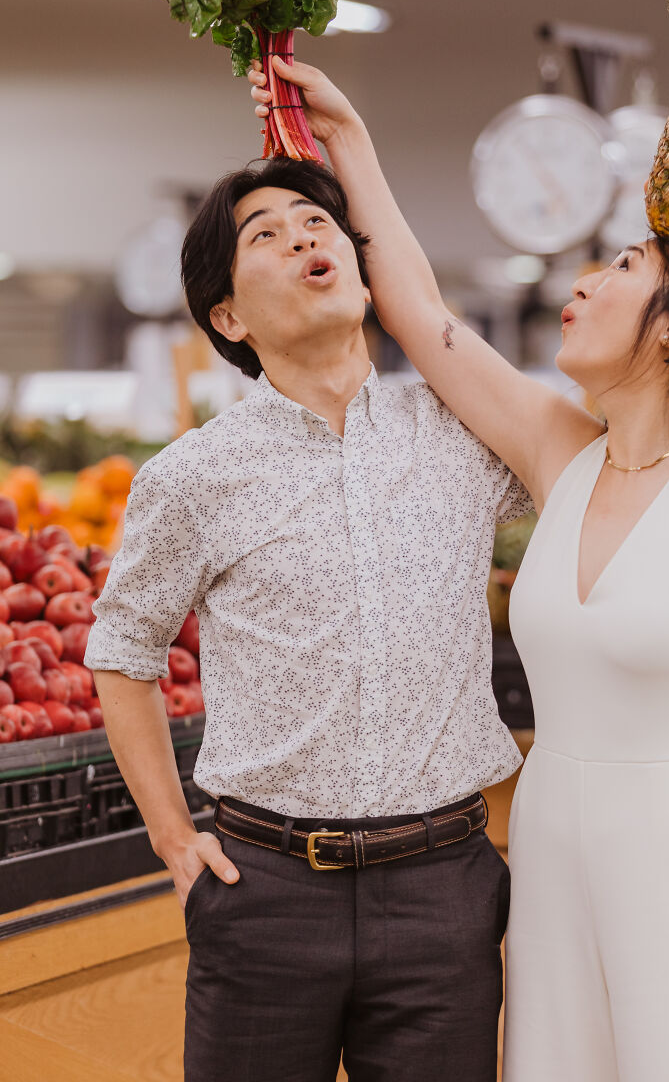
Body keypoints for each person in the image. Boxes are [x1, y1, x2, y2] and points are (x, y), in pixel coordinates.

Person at [248, 55, 669, 1080]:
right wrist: (349, 140)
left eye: (621, 270)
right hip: (550, 853)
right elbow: (420, 315)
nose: (582, 284)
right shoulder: (559, 454)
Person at [85, 156, 531, 1082]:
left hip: (444, 888)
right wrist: (176, 842)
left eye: (316, 221)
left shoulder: (462, 434)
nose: (302, 235)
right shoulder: (192, 477)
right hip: (264, 892)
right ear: (229, 317)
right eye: (264, 234)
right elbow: (122, 654)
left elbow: (607, 454)